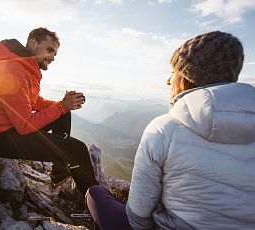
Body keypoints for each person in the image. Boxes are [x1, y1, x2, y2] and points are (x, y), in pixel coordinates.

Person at [86, 31, 255, 229]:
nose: (168, 80)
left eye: (174, 71)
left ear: (188, 76)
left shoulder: (164, 129)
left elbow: (138, 219)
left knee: (95, 194)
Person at [0, 27, 99, 195]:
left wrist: (63, 105)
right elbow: (24, 125)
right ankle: (102, 208)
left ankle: (58, 172)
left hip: (7, 127)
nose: (52, 57)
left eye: (55, 54)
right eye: (49, 50)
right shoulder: (13, 69)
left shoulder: (23, 65)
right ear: (32, 43)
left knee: (63, 114)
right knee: (76, 149)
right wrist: (61, 106)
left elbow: (33, 101)